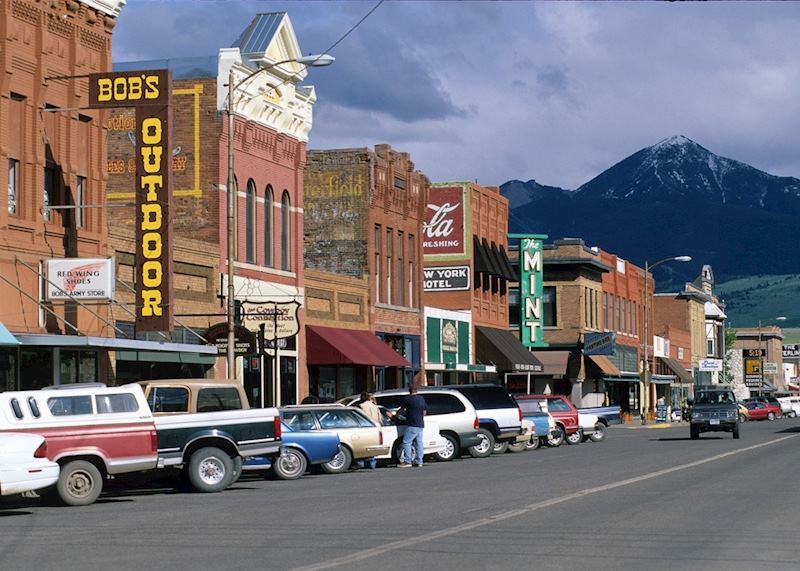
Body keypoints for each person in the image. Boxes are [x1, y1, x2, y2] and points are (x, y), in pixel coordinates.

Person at [396, 384, 426, 468]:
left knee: (406, 442)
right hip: (420, 424)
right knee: (419, 443)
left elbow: (401, 410)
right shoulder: (421, 399)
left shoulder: (408, 399)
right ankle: (420, 461)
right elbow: (424, 412)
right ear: (416, 390)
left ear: (409, 390)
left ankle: (407, 461)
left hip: (412, 423)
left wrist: (396, 415)